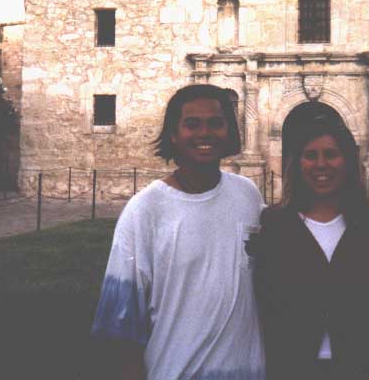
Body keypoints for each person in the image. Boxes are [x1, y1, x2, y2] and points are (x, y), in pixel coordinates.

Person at [91, 84, 265, 380]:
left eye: (216, 123)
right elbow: (119, 325)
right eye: (192, 124)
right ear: (174, 134)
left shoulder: (248, 196)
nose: (205, 133)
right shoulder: (145, 211)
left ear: (230, 131)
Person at [254, 116, 369, 380]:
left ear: (347, 162)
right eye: (311, 155)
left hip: (365, 367)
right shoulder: (275, 226)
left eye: (331, 154)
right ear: (297, 163)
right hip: (292, 367)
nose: (321, 164)